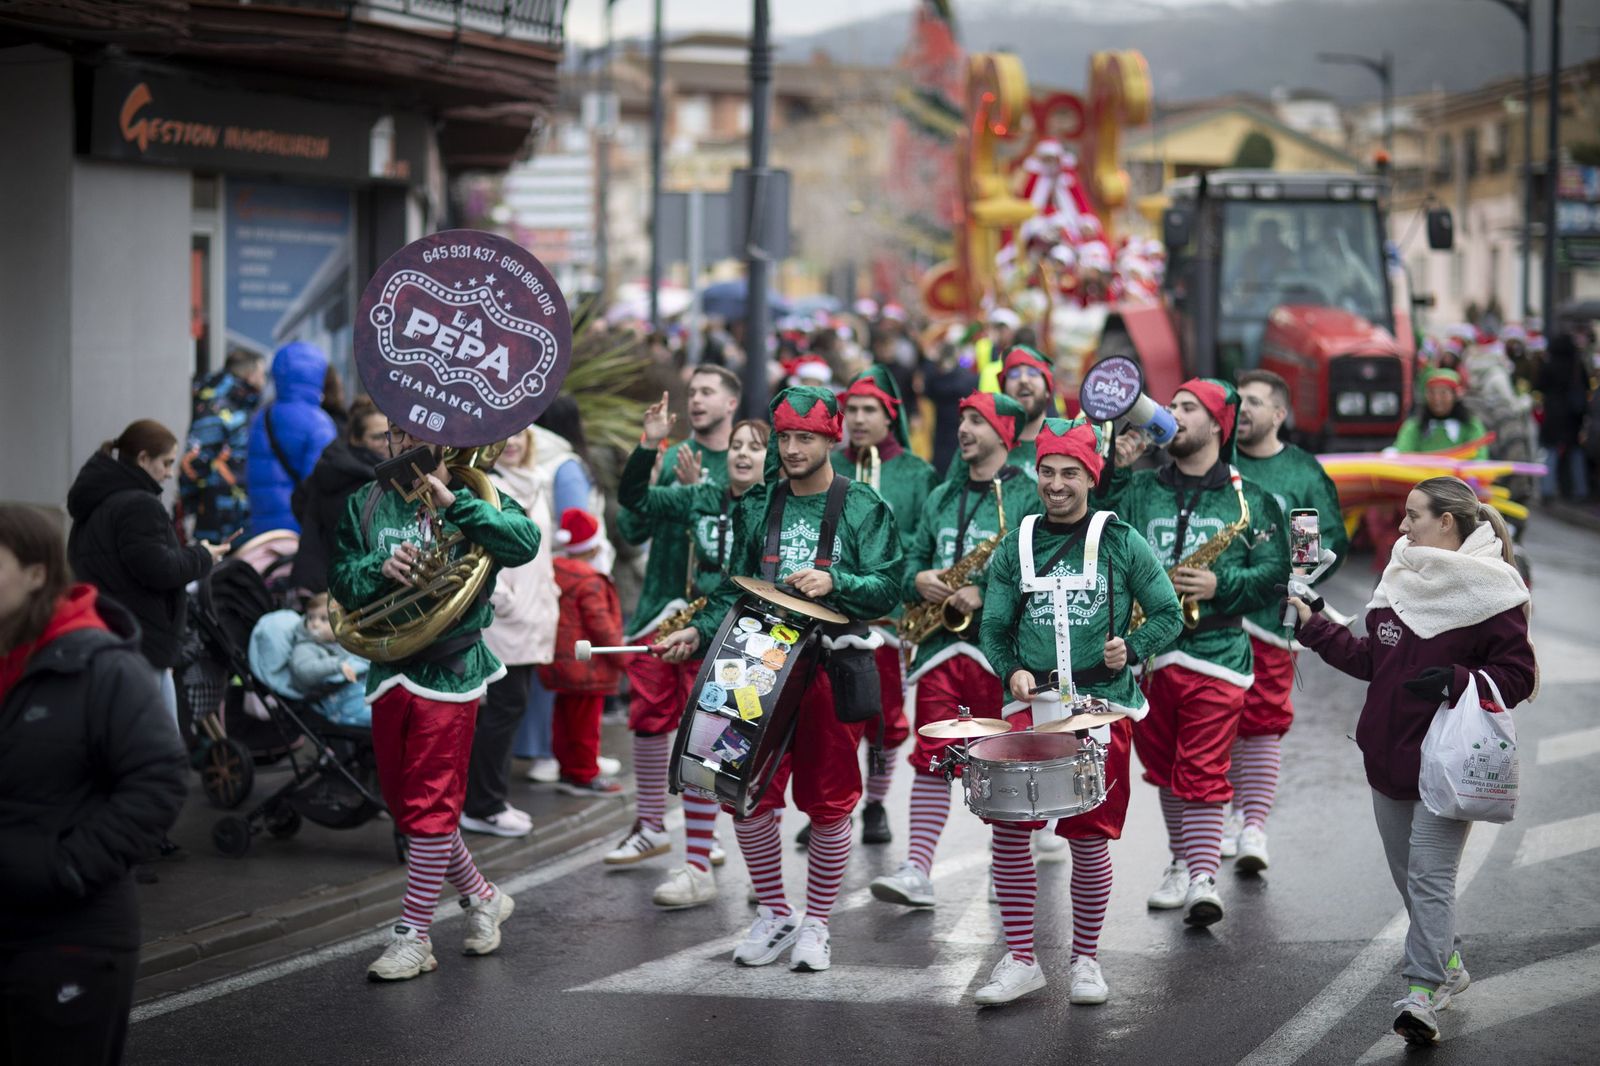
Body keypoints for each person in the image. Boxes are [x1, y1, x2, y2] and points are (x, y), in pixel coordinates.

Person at [655, 386, 903, 972]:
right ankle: (774, 912)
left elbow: (889, 587)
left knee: (830, 802)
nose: (792, 449)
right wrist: (698, 629)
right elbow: (732, 584)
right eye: (785, 437)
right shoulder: (758, 503)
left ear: (830, 439)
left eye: (805, 438)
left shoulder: (864, 506)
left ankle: (817, 922)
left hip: (828, 665)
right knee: (741, 793)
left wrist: (835, 582)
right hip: (752, 661)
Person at [1289, 476, 1536, 1046]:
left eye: (1413, 516)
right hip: (1387, 754)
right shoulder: (1400, 575)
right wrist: (1316, 626)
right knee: (1409, 877)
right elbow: (1370, 659)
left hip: (1450, 760)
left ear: (1446, 522)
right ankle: (1447, 961)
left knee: (1429, 876)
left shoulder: (1493, 589)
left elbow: (1519, 676)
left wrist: (1456, 680)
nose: (1401, 528)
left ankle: (1423, 993)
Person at [975, 419, 1182, 1006]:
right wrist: (1008, 669)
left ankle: (1085, 960)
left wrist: (1133, 648)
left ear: (1091, 476)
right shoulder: (1015, 543)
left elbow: (1168, 613)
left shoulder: (1121, 540)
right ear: (1035, 474)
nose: (1057, 484)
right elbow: (992, 626)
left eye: (1070, 472)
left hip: (1101, 707)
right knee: (1011, 831)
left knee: (1089, 837)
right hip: (1030, 707)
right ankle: (1020, 959)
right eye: (1047, 471)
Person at [329, 421, 541, 982]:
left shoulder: (479, 490)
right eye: (390, 433)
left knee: (429, 805)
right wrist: (381, 569)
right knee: (408, 809)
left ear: (442, 440)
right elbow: (342, 582)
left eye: (410, 434)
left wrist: (456, 504)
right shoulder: (365, 500)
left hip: (450, 669)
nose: (397, 445)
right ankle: (483, 896)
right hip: (389, 663)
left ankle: (413, 935)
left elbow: (525, 544)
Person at [0, 503, 187, 1065]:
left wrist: (66, 867)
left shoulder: (102, 666)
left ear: (36, 574)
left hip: (70, 937)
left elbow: (159, 782)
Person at [1097, 379, 1288, 927]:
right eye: (1171, 406)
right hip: (1149, 654)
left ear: (1217, 424)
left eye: (1188, 408)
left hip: (1217, 652)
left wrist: (1220, 583)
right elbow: (1092, 517)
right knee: (1162, 767)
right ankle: (1181, 861)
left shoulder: (1250, 497)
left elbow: (1275, 572)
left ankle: (1204, 876)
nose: (1172, 414)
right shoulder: (1139, 488)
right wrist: (1116, 460)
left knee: (1202, 766)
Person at [870, 392, 1040, 907]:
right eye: (962, 419)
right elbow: (912, 555)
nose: (962, 429)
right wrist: (917, 577)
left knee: (1005, 762)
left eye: (974, 421)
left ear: (1004, 434)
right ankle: (917, 868)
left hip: (1001, 657)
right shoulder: (943, 494)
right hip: (941, 649)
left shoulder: (1031, 496)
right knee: (932, 760)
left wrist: (988, 594)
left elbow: (1045, 572)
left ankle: (1003, 865)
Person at [616, 402, 771, 906]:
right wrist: (649, 446)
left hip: (753, 643)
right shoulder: (701, 495)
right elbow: (634, 500)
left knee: (748, 756)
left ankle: (761, 874)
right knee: (704, 747)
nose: (743, 454)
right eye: (738, 446)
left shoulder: (776, 508)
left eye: (756, 447)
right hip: (701, 631)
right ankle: (697, 867)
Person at [607, 366, 739, 865]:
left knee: (707, 725)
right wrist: (655, 458)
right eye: (693, 392)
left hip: (716, 614)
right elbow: (631, 526)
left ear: (731, 403)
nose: (697, 400)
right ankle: (648, 824)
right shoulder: (668, 455)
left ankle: (703, 842)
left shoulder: (746, 461)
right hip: (659, 603)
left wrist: (697, 496)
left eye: (708, 392)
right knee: (646, 716)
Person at [1226, 369, 1348, 869]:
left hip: (1273, 621)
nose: (1244, 410)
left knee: (1260, 725)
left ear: (1278, 414)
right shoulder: (1218, 461)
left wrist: (1306, 576)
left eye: (1254, 402)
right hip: (1213, 620)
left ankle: (1253, 826)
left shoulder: (1302, 471)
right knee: (1214, 722)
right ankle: (1223, 817)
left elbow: (1332, 538)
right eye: (1238, 402)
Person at [821, 366, 936, 846]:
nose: (859, 419)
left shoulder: (916, 472)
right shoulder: (828, 467)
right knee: (830, 716)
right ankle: (833, 803)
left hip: (888, 617)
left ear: (891, 417)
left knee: (883, 717)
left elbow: (921, 541)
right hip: (831, 611)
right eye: (852, 411)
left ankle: (875, 803)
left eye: (870, 410)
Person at [67, 420, 229, 721]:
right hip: (141, 641)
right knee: (155, 748)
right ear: (143, 459)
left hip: (104, 633)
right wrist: (203, 555)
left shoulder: (95, 502)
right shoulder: (139, 505)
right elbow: (161, 569)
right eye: (166, 463)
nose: (170, 473)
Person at [461, 427, 558, 838]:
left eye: (520, 434)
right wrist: (502, 597)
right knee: (502, 709)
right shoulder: (489, 487)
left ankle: (491, 801)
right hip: (504, 619)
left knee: (509, 708)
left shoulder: (536, 482)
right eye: (504, 436)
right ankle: (483, 805)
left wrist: (548, 591)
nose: (512, 442)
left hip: (535, 616)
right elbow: (475, 546)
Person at [539, 508, 625, 795]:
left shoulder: (554, 569)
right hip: (588, 665)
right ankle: (584, 774)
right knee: (586, 725)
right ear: (595, 546)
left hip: (560, 662)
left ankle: (567, 770)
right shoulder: (591, 580)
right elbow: (601, 625)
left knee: (563, 719)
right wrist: (623, 656)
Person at [289, 397, 387, 594]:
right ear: (356, 439)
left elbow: (298, 500)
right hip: (340, 585)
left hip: (315, 575)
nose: (386, 443)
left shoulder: (332, 462)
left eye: (390, 435)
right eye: (377, 437)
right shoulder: (362, 478)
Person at [246, 340, 338, 536]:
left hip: (261, 528)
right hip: (298, 529)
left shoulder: (261, 417)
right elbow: (319, 485)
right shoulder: (319, 422)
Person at [180, 348, 265, 544]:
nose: (264, 379)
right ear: (250, 375)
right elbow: (193, 462)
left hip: (239, 515)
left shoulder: (243, 406)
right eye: (261, 373)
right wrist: (194, 505)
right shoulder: (217, 405)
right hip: (219, 518)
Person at [286, 592, 370, 727]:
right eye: (310, 617)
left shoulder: (344, 642)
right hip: (339, 704)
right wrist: (337, 665)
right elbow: (303, 671)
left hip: (363, 692)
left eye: (323, 619)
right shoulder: (305, 647)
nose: (315, 624)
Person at [1392, 369, 1489, 458]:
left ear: (1455, 396)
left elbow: (1479, 458)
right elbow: (1403, 455)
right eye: (1432, 393)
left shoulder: (1471, 427)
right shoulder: (1413, 427)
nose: (1437, 399)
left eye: (1443, 393)